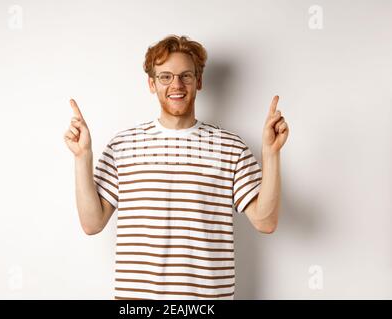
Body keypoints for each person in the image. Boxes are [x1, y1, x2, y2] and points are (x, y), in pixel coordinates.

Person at [64, 34, 289, 300]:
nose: (176, 84)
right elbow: (92, 223)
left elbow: (265, 222)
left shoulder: (231, 147)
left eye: (186, 75)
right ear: (151, 83)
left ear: (199, 81)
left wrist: (271, 153)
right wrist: (82, 157)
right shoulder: (122, 146)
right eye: (165, 76)